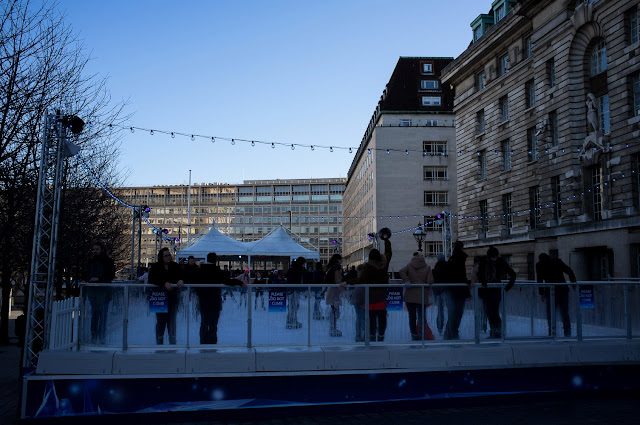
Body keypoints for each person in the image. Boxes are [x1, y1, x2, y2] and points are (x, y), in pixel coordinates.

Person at [342, 236, 392, 342]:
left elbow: (360, 280)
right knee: (382, 317)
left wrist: (347, 282)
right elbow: (389, 253)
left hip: (370, 297)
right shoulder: (384, 265)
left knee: (371, 318)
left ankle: (372, 335)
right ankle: (381, 335)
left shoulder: (368, 267)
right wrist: (386, 240)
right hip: (382, 296)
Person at [195, 252, 245, 344]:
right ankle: (212, 342)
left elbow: (195, 284)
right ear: (215, 260)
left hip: (203, 301)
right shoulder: (216, 271)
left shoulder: (200, 270)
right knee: (213, 324)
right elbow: (227, 281)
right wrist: (240, 283)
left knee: (204, 322)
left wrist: (199, 294)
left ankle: (203, 342)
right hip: (214, 300)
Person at [475, 246, 516, 339]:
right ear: (489, 256)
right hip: (486, 291)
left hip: (496, 291)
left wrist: (507, 287)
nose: (494, 259)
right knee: (490, 312)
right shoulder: (484, 262)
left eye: (495, 257)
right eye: (492, 257)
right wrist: (483, 281)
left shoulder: (501, 262)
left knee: (494, 312)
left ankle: (497, 332)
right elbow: (479, 273)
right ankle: (493, 332)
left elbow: (513, 275)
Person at [81, 241, 116, 345]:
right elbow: (85, 273)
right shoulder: (90, 261)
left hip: (103, 291)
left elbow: (110, 275)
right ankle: (94, 336)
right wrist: (86, 279)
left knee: (102, 314)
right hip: (94, 291)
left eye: (97, 249)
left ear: (102, 250)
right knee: (95, 314)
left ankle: (101, 337)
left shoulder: (108, 261)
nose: (95, 251)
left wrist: (98, 279)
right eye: (94, 249)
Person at [148, 247, 184, 345]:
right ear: (161, 257)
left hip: (172, 296)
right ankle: (159, 341)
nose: (168, 257)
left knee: (171, 320)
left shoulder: (175, 266)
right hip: (159, 297)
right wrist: (163, 283)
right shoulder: (156, 266)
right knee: (161, 320)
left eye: (169, 255)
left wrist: (181, 280)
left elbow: (182, 275)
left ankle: (172, 341)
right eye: (166, 255)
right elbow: (151, 279)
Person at [536, 253, 577, 337]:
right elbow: (569, 271)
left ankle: (552, 332)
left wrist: (541, 293)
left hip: (550, 291)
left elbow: (539, 279)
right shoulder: (557, 261)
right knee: (564, 312)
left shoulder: (539, 265)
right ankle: (567, 332)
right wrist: (574, 285)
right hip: (562, 289)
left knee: (551, 313)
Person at [399, 252, 435, 341]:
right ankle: (422, 334)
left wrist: (407, 280)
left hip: (410, 295)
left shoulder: (409, 266)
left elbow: (401, 271)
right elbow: (430, 281)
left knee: (412, 316)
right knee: (421, 316)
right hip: (422, 295)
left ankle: (414, 335)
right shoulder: (427, 268)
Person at [444, 241, 471, 340]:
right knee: (458, 312)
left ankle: (449, 332)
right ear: (461, 248)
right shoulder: (460, 258)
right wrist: (466, 282)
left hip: (451, 288)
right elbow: (461, 274)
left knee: (452, 312)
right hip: (459, 288)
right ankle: (453, 332)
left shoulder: (451, 259)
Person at [324, 254, 344, 337]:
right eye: (340, 259)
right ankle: (333, 329)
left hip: (332, 290)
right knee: (335, 311)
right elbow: (337, 281)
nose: (341, 261)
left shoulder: (330, 268)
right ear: (337, 260)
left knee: (334, 311)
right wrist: (343, 288)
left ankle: (333, 328)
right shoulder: (336, 269)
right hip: (334, 291)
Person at [285, 257, 306, 329]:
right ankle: (291, 322)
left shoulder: (294, 269)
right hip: (293, 290)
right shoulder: (296, 270)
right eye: (303, 264)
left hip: (292, 290)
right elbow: (294, 280)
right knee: (293, 306)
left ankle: (292, 320)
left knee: (294, 306)